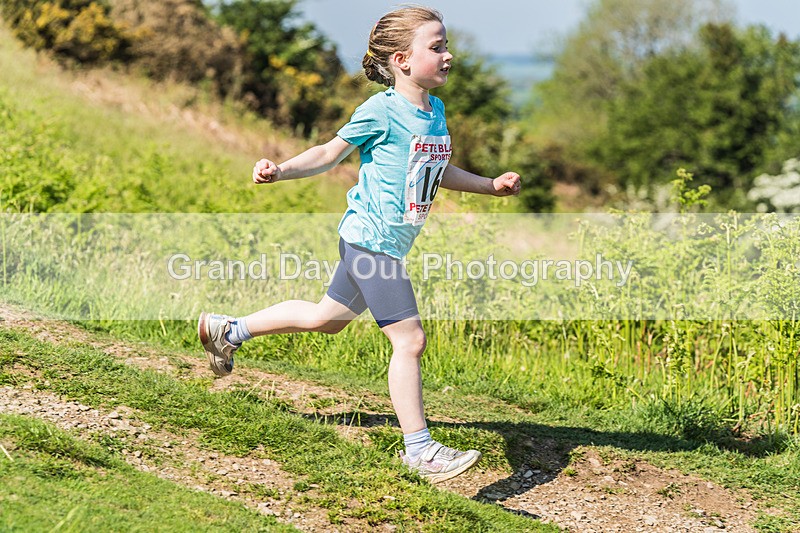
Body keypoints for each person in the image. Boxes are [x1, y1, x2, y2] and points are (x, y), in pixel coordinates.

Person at [199, 5, 521, 483]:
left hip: (381, 242)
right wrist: (280, 170)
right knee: (410, 340)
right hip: (372, 242)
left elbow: (438, 170)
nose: (448, 55)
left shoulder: (434, 112)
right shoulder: (380, 111)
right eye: (437, 47)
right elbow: (330, 153)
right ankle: (419, 450)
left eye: (446, 46)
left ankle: (228, 330)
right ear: (402, 60)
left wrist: (489, 186)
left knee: (325, 320)